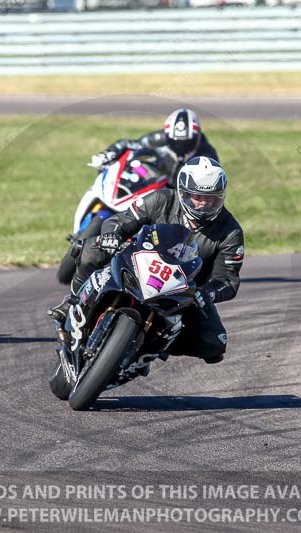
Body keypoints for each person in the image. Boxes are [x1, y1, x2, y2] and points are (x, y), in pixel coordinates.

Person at [49, 156, 243, 364]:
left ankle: (151, 349)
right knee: (90, 250)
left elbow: (227, 280)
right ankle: (73, 303)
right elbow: (120, 220)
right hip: (136, 261)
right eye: (197, 196)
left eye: (211, 198)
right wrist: (113, 235)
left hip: (182, 291)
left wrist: (206, 293)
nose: (203, 203)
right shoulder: (161, 199)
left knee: (214, 345)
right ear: (183, 192)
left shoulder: (230, 232)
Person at [88, 108, 220, 188]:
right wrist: (109, 153)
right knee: (136, 164)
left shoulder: (207, 156)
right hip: (154, 184)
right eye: (175, 141)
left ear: (196, 137)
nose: (180, 146)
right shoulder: (160, 138)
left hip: (182, 198)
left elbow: (210, 187)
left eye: (186, 142)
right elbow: (129, 144)